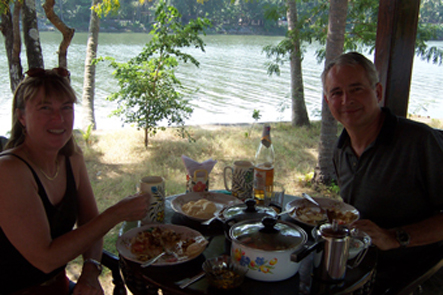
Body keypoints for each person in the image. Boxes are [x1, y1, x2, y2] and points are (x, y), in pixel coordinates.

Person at [0, 68, 150, 295]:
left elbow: (90, 226)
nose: (58, 118)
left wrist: (90, 272)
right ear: (21, 116)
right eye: (45, 108)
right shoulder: (9, 171)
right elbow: (46, 259)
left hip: (59, 285)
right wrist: (116, 213)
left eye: (66, 108)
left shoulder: (71, 157)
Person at [322, 52, 443, 291]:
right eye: (336, 93)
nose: (346, 100)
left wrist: (395, 237)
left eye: (356, 89)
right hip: (360, 268)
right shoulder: (341, 150)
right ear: (328, 102)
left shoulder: (420, 142)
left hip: (417, 279)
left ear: (377, 92)